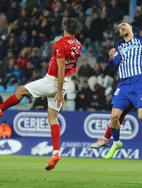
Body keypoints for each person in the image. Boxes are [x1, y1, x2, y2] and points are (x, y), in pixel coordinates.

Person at [0, 18, 82, 171]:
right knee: (52, 119)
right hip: (65, 83)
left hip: (53, 82)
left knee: (21, 90)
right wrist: (61, 90)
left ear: (65, 27)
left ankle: (1, 108)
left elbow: (61, 66)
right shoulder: (78, 45)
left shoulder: (60, 44)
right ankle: (56, 152)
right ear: (76, 30)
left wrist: (57, 91)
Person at [104, 22, 142, 160]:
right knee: (113, 117)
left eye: (124, 25)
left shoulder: (140, 39)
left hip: (140, 82)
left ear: (130, 28)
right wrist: (111, 57)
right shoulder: (118, 45)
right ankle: (117, 142)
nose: (121, 27)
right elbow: (115, 64)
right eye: (119, 27)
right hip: (124, 85)